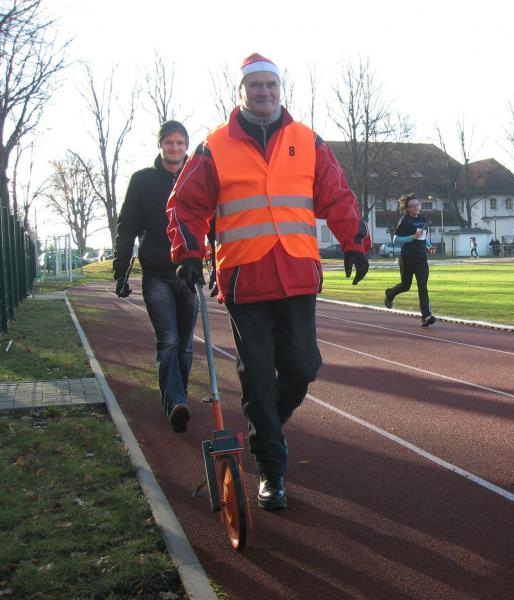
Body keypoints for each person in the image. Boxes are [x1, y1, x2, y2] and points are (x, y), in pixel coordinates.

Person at [165, 54, 370, 511]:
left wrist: (354, 242)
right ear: (241, 92)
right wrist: (190, 253)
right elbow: (185, 205)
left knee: (303, 367)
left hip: (297, 273)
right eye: (255, 85)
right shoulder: (214, 146)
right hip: (245, 278)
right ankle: (272, 469)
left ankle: (265, 429)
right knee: (257, 376)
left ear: (280, 89)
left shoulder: (307, 140)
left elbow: (337, 194)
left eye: (270, 84)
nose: (264, 92)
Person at [112, 120, 198, 434]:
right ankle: (175, 402)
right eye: (169, 142)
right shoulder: (142, 181)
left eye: (180, 142)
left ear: (186, 146)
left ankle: (178, 397)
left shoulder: (197, 178)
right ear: (160, 145)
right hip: (157, 275)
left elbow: (214, 224)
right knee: (169, 340)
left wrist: (218, 266)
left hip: (189, 274)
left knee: (185, 345)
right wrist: (121, 271)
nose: (175, 148)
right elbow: (127, 228)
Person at [383, 193, 436, 327]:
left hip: (421, 259)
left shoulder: (423, 220)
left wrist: (429, 246)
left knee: (422, 286)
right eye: (412, 206)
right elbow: (396, 239)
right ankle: (390, 293)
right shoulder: (404, 221)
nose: (416, 207)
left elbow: (423, 238)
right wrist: (412, 237)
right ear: (407, 208)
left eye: (417, 205)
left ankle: (426, 316)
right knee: (406, 286)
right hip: (407, 258)